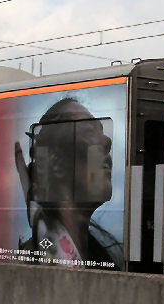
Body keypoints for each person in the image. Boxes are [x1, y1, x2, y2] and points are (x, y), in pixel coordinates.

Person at [15, 98, 124, 269]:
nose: (106, 141)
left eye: (102, 131)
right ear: (56, 164)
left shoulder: (104, 257)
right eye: (89, 131)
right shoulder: (31, 263)